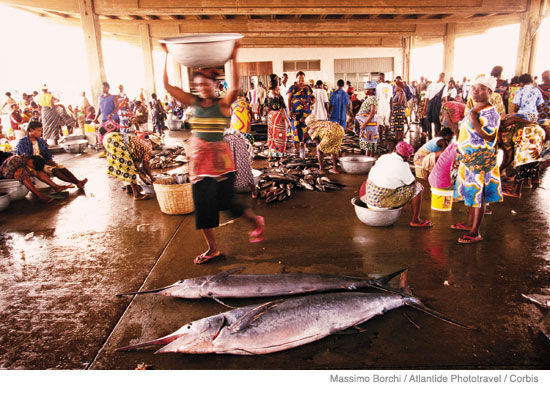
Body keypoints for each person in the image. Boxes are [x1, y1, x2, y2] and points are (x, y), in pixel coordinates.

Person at [161, 40, 264, 265]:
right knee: (203, 211)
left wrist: (234, 55)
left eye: (207, 85)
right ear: (196, 87)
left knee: (229, 206)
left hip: (220, 165)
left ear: (215, 86)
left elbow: (235, 87)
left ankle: (256, 221)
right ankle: (212, 249)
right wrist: (167, 55)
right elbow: (168, 86)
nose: (203, 88)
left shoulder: (223, 105)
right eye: (199, 85)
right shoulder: (193, 102)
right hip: (199, 166)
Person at [453, 76, 502, 244]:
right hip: (469, 159)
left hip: (480, 160)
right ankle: (469, 224)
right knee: (471, 192)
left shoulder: (490, 112)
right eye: (473, 88)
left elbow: (490, 137)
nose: (475, 91)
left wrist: (474, 121)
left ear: (489, 91)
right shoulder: (475, 108)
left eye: (480, 88)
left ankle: (475, 231)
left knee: (478, 194)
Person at [360, 141, 431, 228]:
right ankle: (415, 220)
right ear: (407, 157)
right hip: (381, 205)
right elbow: (412, 183)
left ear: (394, 150)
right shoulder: (403, 165)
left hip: (369, 200)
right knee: (418, 187)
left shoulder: (383, 157)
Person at [17, 121, 88, 189]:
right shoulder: (22, 143)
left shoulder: (40, 141)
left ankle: (78, 182)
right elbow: (26, 158)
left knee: (61, 167)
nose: (40, 133)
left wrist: (49, 160)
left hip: (42, 161)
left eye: (41, 131)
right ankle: (77, 183)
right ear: (31, 130)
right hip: (32, 164)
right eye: (38, 131)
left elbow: (46, 153)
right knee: (54, 170)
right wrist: (43, 162)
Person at [102, 120, 158, 200]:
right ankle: (137, 195)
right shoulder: (148, 148)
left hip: (109, 137)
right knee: (128, 168)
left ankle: (129, 188)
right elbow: (146, 166)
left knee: (126, 165)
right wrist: (151, 177)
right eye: (156, 146)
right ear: (154, 144)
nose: (156, 148)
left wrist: (140, 170)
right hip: (115, 140)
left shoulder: (143, 142)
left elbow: (134, 160)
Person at [0, 154, 69, 203]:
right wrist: (20, 171)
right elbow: (8, 174)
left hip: (16, 174)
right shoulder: (15, 160)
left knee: (37, 172)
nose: (32, 167)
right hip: (4, 178)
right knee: (23, 174)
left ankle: (56, 187)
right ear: (30, 160)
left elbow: (33, 170)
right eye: (32, 165)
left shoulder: (25, 160)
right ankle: (40, 196)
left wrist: (31, 170)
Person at [501, 122, 545, 197]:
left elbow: (508, 157)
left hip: (528, 132)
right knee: (533, 156)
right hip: (538, 130)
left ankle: (516, 191)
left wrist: (499, 171)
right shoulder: (507, 124)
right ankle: (533, 180)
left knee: (523, 160)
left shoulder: (504, 135)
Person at [288, 71, 314, 158]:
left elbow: (312, 96)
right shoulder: (293, 87)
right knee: (295, 128)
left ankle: (305, 145)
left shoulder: (308, 87)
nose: (301, 79)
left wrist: (313, 101)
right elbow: (289, 99)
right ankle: (296, 147)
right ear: (296, 78)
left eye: (302, 78)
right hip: (295, 112)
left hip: (306, 112)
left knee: (305, 128)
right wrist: (289, 111)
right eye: (299, 78)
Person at [266, 78, 290, 158]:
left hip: (271, 117)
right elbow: (283, 109)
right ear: (276, 87)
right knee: (280, 136)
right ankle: (280, 154)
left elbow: (267, 109)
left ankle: (272, 154)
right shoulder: (279, 97)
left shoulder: (267, 97)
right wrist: (288, 121)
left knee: (271, 135)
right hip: (279, 117)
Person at [355, 81, 378, 157]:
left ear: (371, 90)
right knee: (369, 143)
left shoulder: (372, 98)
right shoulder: (369, 98)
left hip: (370, 125)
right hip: (368, 125)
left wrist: (364, 124)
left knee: (370, 143)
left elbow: (372, 112)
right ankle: (368, 159)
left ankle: (369, 160)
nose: (364, 90)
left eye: (366, 89)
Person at [424, 72, 446, 138]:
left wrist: (425, 107)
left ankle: (430, 135)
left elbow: (427, 98)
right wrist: (444, 109)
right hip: (436, 105)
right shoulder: (443, 86)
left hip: (431, 104)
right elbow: (445, 99)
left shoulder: (431, 85)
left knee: (429, 120)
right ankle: (436, 136)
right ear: (443, 77)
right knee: (436, 121)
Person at [376, 73, 392, 149]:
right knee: (387, 124)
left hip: (380, 107)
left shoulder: (378, 86)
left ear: (380, 78)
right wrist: (391, 109)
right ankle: (386, 138)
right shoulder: (389, 86)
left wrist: (375, 109)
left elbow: (376, 98)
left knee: (380, 124)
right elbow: (391, 99)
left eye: (379, 77)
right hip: (387, 107)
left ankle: (381, 140)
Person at [390, 80, 407, 147]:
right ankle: (396, 137)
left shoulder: (401, 93)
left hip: (399, 111)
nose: (395, 87)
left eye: (396, 85)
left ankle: (399, 138)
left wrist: (392, 104)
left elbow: (399, 102)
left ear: (399, 86)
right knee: (396, 125)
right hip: (396, 111)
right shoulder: (397, 93)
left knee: (399, 125)